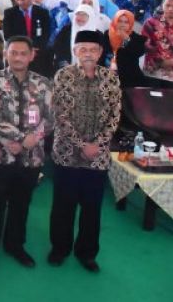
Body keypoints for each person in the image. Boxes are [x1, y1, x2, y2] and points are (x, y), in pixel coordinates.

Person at [0, 36, 52, 269]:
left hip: (31, 157)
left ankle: (15, 245)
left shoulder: (43, 83)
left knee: (21, 203)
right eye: (13, 53)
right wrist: (19, 139)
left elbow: (51, 118)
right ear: (5, 54)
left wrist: (30, 141)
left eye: (23, 53)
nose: (18, 58)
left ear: (31, 55)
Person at [48, 30, 121, 273]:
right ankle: (60, 249)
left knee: (92, 208)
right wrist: (82, 144)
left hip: (97, 156)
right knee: (63, 205)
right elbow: (59, 115)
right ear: (75, 51)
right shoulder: (63, 76)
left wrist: (98, 144)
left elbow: (115, 115)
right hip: (67, 153)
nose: (88, 53)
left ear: (100, 53)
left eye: (93, 49)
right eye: (83, 49)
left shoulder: (110, 79)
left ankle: (87, 253)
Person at [3, 0, 54, 77]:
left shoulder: (42, 13)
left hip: (38, 49)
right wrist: (25, 48)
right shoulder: (9, 13)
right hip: (18, 49)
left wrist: (33, 48)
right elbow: (8, 35)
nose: (20, 2)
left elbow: (46, 33)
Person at [142, 0, 173, 83]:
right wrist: (161, 62)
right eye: (168, 5)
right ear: (162, 6)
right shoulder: (150, 23)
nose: (171, 9)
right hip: (154, 71)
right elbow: (145, 47)